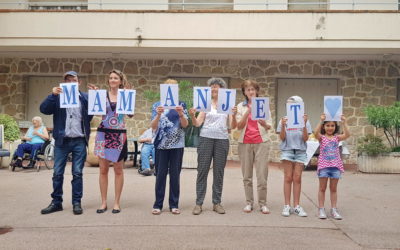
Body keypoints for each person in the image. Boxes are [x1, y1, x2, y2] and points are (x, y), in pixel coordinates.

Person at [40, 71, 94, 215]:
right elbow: (43, 109)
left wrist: (95, 96)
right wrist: (52, 95)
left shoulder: (84, 97)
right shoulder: (57, 98)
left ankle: (77, 202)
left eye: (73, 80)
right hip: (62, 141)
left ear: (79, 82)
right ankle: (56, 202)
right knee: (57, 173)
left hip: (79, 140)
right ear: (64, 82)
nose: (71, 82)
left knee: (77, 173)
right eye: (68, 80)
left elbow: (92, 113)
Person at [189, 77, 237, 215]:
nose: (214, 88)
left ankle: (217, 202)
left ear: (222, 89)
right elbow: (197, 123)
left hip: (222, 139)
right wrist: (193, 115)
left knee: (219, 172)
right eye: (212, 86)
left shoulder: (227, 105)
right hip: (205, 138)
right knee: (202, 170)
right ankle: (199, 203)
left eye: (217, 86)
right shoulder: (205, 104)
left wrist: (233, 114)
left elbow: (232, 126)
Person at [94, 69, 133, 214]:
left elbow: (130, 114)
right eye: (110, 78)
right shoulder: (102, 95)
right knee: (103, 170)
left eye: (115, 78)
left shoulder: (126, 95)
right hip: (103, 134)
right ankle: (103, 202)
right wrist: (95, 97)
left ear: (121, 81)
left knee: (118, 170)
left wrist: (129, 97)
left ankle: (116, 202)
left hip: (119, 135)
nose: (112, 80)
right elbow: (96, 111)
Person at [233, 80, 272, 214]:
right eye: (248, 89)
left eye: (253, 89)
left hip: (261, 142)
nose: (250, 92)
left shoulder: (263, 105)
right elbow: (238, 126)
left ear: (256, 91)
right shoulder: (240, 106)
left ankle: (263, 203)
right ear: (244, 92)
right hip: (245, 143)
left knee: (262, 175)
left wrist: (264, 123)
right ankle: (249, 202)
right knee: (247, 175)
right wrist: (248, 111)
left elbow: (269, 126)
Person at [151, 79, 189, 215]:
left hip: (177, 145)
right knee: (160, 175)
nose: (171, 89)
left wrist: (181, 113)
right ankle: (158, 204)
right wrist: (159, 114)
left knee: (175, 175)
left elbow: (185, 125)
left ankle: (174, 204)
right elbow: (153, 126)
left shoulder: (182, 104)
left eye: (173, 87)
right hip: (161, 145)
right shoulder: (157, 105)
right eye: (168, 87)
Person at [276, 96, 312, 217]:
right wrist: (283, 126)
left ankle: (297, 206)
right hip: (287, 150)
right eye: (288, 105)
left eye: (292, 104)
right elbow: (282, 138)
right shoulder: (283, 120)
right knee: (288, 177)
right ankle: (287, 205)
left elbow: (306, 138)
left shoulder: (305, 120)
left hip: (301, 151)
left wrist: (305, 124)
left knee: (297, 178)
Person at [314, 113, 350, 220]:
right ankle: (321, 209)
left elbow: (347, 134)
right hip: (324, 167)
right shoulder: (321, 138)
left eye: (332, 125)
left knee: (333, 189)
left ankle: (334, 209)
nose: (330, 128)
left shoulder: (337, 138)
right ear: (324, 127)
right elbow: (316, 133)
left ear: (335, 127)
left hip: (335, 167)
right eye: (328, 125)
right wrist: (321, 121)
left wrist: (344, 122)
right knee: (322, 188)